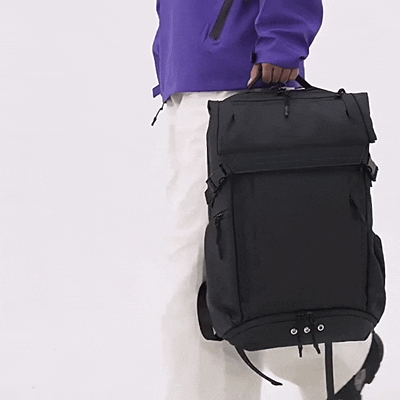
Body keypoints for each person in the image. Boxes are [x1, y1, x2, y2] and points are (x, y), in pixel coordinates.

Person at [151, 1, 383, 399]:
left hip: (234, 78)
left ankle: (339, 359)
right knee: (250, 271)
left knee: (203, 281)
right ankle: (339, 360)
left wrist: (283, 37)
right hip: (189, 81)